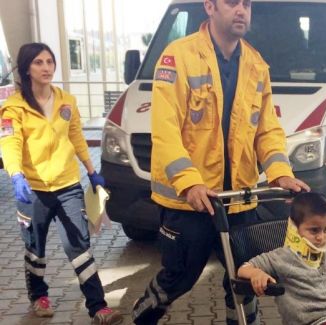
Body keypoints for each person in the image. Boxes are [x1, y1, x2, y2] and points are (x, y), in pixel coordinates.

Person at [131, 0, 310, 324]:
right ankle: (142, 316)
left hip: (238, 202)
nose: (241, 10)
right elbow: (165, 128)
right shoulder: (179, 57)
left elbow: (267, 130)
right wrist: (189, 181)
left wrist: (280, 173)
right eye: (231, 3)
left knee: (244, 279)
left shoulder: (257, 65)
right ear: (210, 7)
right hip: (191, 204)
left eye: (246, 4)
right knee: (180, 277)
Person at [0, 43, 123, 325]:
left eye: (50, 62)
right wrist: (16, 175)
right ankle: (39, 296)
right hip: (33, 190)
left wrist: (92, 172)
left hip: (68, 186)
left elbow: (77, 137)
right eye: (39, 63)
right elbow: (10, 142)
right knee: (35, 248)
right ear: (26, 68)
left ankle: (98, 307)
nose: (46, 68)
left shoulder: (67, 100)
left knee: (79, 246)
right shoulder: (13, 107)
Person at [238, 192, 326, 325]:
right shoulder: (281, 256)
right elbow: (244, 268)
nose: (321, 237)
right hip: (310, 321)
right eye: (314, 230)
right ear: (295, 228)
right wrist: (256, 274)